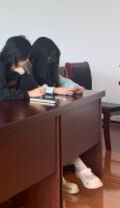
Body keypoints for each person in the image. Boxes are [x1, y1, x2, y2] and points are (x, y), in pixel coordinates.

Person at [29, 37, 102, 193]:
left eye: (53, 59)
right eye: (49, 58)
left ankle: (74, 169)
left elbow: (63, 80)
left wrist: (75, 86)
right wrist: (54, 90)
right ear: (41, 56)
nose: (51, 62)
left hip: (49, 112)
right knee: (56, 133)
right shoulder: (28, 68)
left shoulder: (50, 69)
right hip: (32, 116)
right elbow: (32, 89)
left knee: (65, 129)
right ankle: (75, 170)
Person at [0, 35, 45, 105]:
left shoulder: (18, 68)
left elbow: (33, 89)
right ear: (14, 56)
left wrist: (24, 75)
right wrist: (28, 93)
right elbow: (0, 96)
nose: (27, 60)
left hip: (4, 107)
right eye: (24, 58)